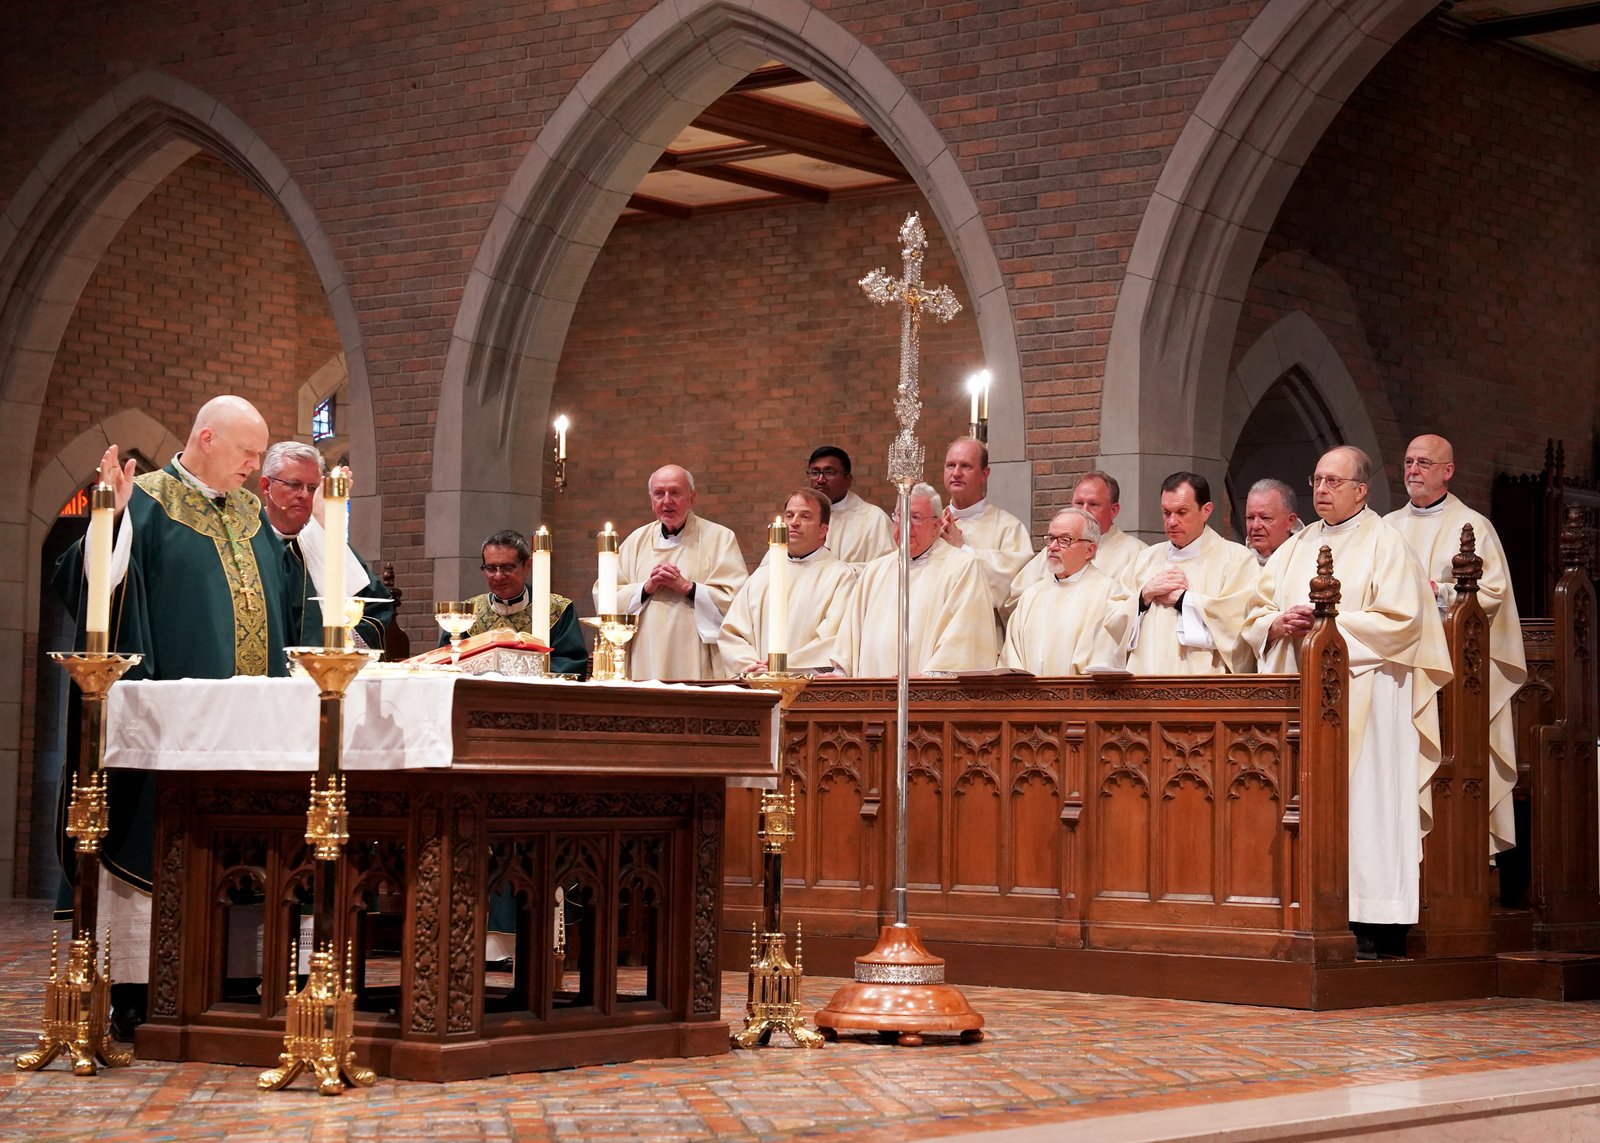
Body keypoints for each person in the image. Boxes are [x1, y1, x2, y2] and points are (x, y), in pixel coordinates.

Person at [52, 394, 293, 1035]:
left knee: (245, 847)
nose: (254, 467)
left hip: (251, 727)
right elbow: (84, 581)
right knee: (158, 843)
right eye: (247, 453)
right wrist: (111, 517)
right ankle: (140, 989)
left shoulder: (250, 512)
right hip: (170, 728)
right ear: (207, 438)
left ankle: (237, 981)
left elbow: (287, 598)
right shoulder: (149, 500)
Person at [1243, 445, 1451, 958]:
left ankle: (1378, 921)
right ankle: (1316, 908)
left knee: (1369, 806)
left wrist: (1327, 628)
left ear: (1361, 490)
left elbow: (1404, 621)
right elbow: (1256, 610)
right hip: (1304, 696)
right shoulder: (1296, 546)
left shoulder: (1387, 543)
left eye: (1333, 482)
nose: (1321, 490)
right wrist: (1276, 623)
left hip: (1373, 698)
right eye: (1316, 480)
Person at [1384, 433, 1525, 856]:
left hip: (1454, 677)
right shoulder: (1386, 528)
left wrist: (1439, 592)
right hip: (1398, 672)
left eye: (1424, 463)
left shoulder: (1474, 527)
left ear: (1448, 471)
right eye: (1408, 462)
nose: (1413, 470)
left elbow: (1493, 595)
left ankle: (1454, 858)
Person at [835, 482, 998, 675]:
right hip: (874, 694)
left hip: (927, 696)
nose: (905, 525)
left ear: (937, 525)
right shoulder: (875, 570)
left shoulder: (961, 568)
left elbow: (966, 636)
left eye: (916, 517)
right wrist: (841, 671)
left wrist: (931, 677)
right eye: (899, 515)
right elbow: (851, 634)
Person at [605, 464, 747, 680]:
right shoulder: (635, 541)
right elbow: (607, 598)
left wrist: (687, 588)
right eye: (659, 493)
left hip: (695, 654)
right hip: (645, 652)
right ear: (651, 499)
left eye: (675, 492)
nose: (667, 501)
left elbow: (737, 601)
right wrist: (646, 587)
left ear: (692, 497)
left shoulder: (719, 538)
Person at [1118, 472, 1258, 674]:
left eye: (1181, 512)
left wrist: (1184, 601)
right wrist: (1144, 596)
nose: (1172, 521)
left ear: (1206, 510)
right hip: (1145, 686)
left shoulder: (1236, 559)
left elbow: (1239, 625)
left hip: (1203, 690)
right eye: (1166, 513)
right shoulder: (1144, 560)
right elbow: (1113, 624)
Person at [258, 441, 392, 651]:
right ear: (266, 486)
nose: (304, 495)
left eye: (313, 488)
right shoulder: (250, 540)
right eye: (294, 484)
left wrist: (344, 640)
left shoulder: (328, 543)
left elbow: (375, 607)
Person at [718, 489, 857, 676]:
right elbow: (733, 633)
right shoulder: (761, 576)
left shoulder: (840, 576)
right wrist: (752, 668)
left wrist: (781, 667)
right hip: (759, 687)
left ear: (823, 530)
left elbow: (833, 638)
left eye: (805, 516)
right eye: (789, 515)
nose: (794, 523)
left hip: (806, 686)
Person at [1000, 508, 1130, 675]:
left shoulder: (1108, 594)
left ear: (1089, 550)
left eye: (1065, 540)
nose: (1053, 546)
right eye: (1051, 538)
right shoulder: (1031, 595)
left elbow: (1104, 660)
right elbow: (1012, 657)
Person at [446, 529, 589, 677]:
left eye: (507, 567)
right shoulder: (467, 613)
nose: (498, 576)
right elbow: (445, 664)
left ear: (527, 565)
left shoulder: (558, 609)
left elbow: (572, 664)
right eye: (490, 568)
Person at [1008, 470, 1147, 606]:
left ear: (1114, 510)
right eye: (1079, 503)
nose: (1084, 510)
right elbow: (1017, 600)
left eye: (1093, 504)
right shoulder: (1053, 552)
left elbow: (1133, 611)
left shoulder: (1137, 554)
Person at [939, 438, 1033, 610]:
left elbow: (1016, 591)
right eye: (950, 465)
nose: (956, 473)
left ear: (985, 474)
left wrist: (963, 549)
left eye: (966, 466)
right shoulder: (931, 523)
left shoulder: (1009, 528)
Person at [803, 446, 894, 566]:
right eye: (815, 473)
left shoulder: (874, 519)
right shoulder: (800, 518)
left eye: (829, 472)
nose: (820, 479)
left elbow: (886, 569)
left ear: (848, 479)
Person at [1244, 478, 1302, 565]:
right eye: (1250, 518)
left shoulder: (1308, 561)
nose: (1255, 526)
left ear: (1290, 521)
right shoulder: (1236, 563)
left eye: (1265, 518)